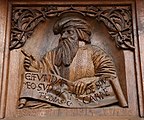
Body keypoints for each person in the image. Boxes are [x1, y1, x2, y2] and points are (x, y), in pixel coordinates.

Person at [20, 16, 127, 108]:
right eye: (62, 33)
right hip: (59, 97)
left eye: (69, 32)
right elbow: (45, 74)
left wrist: (89, 80)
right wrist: (35, 67)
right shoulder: (52, 55)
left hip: (88, 97)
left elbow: (110, 75)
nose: (63, 36)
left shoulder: (95, 52)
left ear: (80, 34)